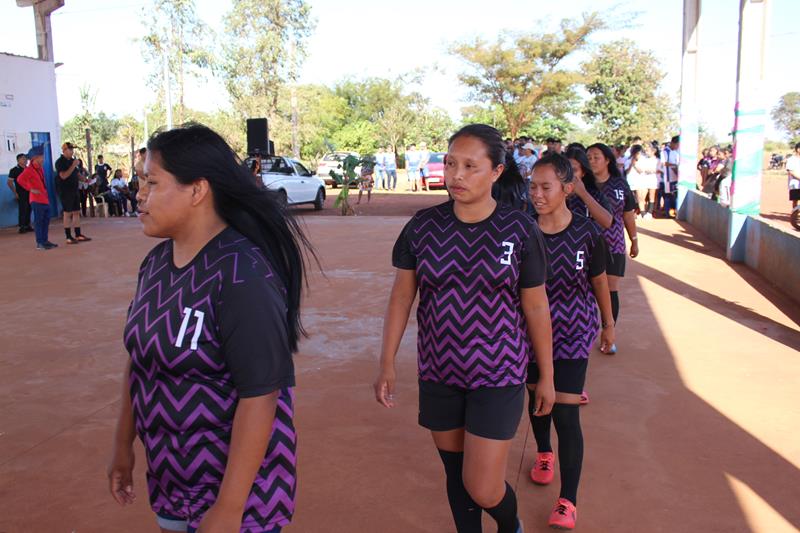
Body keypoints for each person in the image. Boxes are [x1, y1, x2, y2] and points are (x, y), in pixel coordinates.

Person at [108, 123, 314, 533]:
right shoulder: (154, 265)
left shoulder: (242, 273)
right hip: (171, 480)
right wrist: (122, 447)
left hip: (240, 499)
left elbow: (262, 395)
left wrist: (229, 508)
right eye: (139, 182)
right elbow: (141, 362)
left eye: (151, 182)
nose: (139, 194)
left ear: (197, 190)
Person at [374, 124, 554, 533]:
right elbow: (402, 297)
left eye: (471, 166)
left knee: (483, 486)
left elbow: (536, 303)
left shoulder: (520, 229)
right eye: (451, 163)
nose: (456, 174)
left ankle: (511, 525)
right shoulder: (423, 227)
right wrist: (386, 362)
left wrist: (546, 374)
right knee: (457, 479)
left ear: (496, 171)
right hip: (439, 370)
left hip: (499, 371)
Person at [526, 153, 615, 530]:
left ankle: (568, 500)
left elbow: (598, 281)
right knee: (536, 399)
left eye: (545, 187)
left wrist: (608, 324)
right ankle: (544, 453)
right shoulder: (521, 229)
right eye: (532, 186)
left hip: (574, 329)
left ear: (567, 189)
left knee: (564, 411)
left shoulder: (586, 233)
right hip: (528, 329)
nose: (537, 194)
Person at [586, 143, 638, 354]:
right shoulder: (583, 186)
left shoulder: (620, 185)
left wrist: (634, 239)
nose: (591, 160)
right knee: (588, 289)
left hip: (614, 244)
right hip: (587, 244)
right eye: (588, 157)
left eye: (596, 156)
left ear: (607, 160)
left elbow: (627, 214)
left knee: (610, 288)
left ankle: (608, 332)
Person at [16, 145, 57, 250]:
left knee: (46, 221)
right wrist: (30, 189)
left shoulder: (40, 168)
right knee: (39, 221)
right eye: (41, 156)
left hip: (44, 198)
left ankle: (45, 240)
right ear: (35, 158)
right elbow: (20, 180)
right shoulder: (29, 170)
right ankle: (40, 242)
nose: (43, 158)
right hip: (36, 200)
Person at [564, 148, 613, 231]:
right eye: (565, 169)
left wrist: (583, 194)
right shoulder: (554, 193)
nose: (569, 175)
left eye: (574, 170)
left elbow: (607, 222)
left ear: (583, 173)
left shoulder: (596, 195)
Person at [55, 142, 91, 243]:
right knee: (67, 213)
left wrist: (85, 179)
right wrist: (73, 165)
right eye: (70, 149)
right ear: (64, 151)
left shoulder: (72, 161)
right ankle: (68, 236)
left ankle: (78, 234)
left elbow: (77, 174)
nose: (72, 151)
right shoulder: (60, 162)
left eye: (72, 149)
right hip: (65, 191)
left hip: (75, 189)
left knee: (76, 212)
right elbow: (63, 176)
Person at [626, 145, 658, 218]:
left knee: (641, 198)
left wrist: (635, 165)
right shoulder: (628, 160)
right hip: (630, 181)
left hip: (640, 181)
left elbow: (641, 170)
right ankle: (636, 212)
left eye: (640, 153)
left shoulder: (643, 160)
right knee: (632, 199)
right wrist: (632, 164)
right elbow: (626, 171)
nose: (639, 155)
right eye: (637, 153)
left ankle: (643, 213)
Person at [7, 153, 33, 233]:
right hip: (21, 193)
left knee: (29, 208)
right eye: (23, 159)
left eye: (25, 158)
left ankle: (27, 225)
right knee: (23, 209)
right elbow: (9, 182)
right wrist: (15, 192)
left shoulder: (29, 169)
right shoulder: (14, 170)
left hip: (30, 192)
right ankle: (21, 227)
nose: (25, 160)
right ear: (18, 160)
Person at [661, 136, 680, 218]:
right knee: (668, 195)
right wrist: (675, 165)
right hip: (668, 178)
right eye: (677, 145)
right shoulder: (665, 151)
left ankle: (676, 212)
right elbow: (664, 163)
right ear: (673, 143)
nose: (678, 146)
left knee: (676, 195)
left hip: (676, 177)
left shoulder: (676, 152)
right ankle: (667, 213)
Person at [786, 142, 800, 211]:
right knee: (795, 200)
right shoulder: (791, 159)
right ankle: (795, 215)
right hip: (795, 184)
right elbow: (791, 172)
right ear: (798, 149)